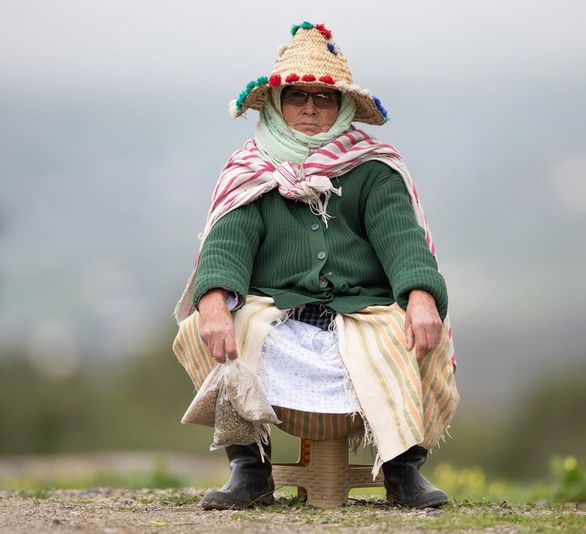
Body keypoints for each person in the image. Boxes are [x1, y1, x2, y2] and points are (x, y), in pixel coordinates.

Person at [172, 21, 459, 510]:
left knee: (410, 333)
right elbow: (227, 241)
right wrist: (216, 302)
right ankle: (249, 467)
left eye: (322, 99)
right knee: (209, 325)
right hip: (275, 310)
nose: (309, 108)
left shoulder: (374, 168)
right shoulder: (253, 168)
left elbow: (403, 240)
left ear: (342, 106)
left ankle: (402, 469)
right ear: (278, 104)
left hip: (361, 309)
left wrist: (421, 297)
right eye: (297, 96)